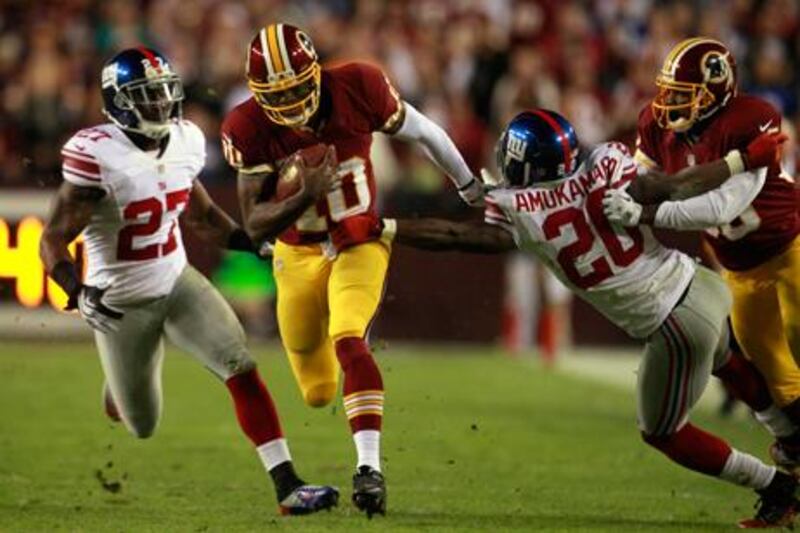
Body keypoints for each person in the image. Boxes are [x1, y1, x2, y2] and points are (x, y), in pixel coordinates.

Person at [340, 109, 797, 528]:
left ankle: (776, 485)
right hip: (702, 285)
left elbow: (461, 235)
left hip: (673, 321)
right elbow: (674, 185)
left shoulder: (519, 209)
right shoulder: (609, 162)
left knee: (663, 432)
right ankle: (790, 438)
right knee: (728, 362)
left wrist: (387, 227)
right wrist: (738, 163)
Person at [39, 47, 338, 516]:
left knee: (239, 364)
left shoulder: (186, 140)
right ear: (118, 102)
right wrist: (75, 290)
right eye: (146, 96)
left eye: (163, 94)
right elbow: (53, 237)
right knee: (142, 423)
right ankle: (118, 385)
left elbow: (200, 216)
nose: (160, 105)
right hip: (122, 303)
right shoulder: (96, 155)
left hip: (177, 280)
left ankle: (287, 485)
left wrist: (250, 243)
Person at [220, 23, 482, 517]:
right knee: (317, 391)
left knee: (349, 338)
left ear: (316, 71)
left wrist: (468, 186)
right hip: (295, 256)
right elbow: (254, 226)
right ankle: (344, 419)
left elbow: (424, 131)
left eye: (299, 86)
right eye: (279, 93)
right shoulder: (247, 126)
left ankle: (369, 469)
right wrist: (305, 194)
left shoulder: (358, 85)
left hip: (360, 238)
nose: (293, 100)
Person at [606, 37, 800, 470]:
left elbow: (720, 206)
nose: (668, 103)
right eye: (668, 91)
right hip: (739, 267)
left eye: (682, 94)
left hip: (789, 247)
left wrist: (646, 212)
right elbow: (637, 179)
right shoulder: (656, 126)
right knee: (774, 371)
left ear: (717, 92)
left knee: (799, 329)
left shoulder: (752, 119)